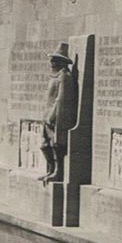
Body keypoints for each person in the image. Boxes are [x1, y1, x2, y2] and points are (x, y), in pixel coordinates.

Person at [39, 43, 78, 184]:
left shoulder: (65, 76)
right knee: (44, 145)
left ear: (62, 62)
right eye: (52, 59)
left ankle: (57, 172)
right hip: (47, 116)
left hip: (56, 118)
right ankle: (50, 169)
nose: (51, 62)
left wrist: (53, 116)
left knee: (57, 146)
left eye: (55, 60)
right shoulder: (54, 76)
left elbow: (60, 99)